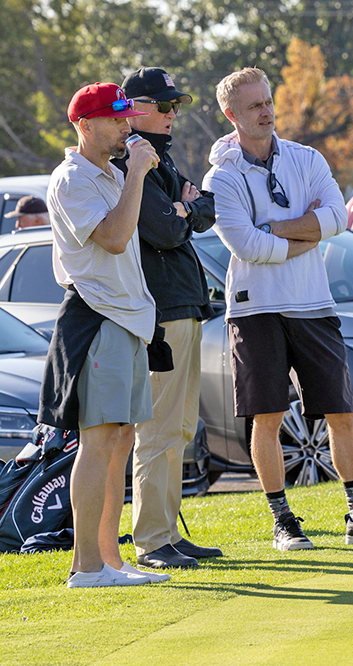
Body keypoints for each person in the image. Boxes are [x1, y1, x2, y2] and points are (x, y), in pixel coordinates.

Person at [202, 67, 353, 551]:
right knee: (267, 417)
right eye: (254, 106)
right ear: (231, 115)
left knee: (340, 412)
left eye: (269, 101)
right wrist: (301, 232)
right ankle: (283, 521)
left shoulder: (307, 158)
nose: (267, 111)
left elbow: (337, 219)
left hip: (314, 303)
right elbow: (247, 247)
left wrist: (274, 230)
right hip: (255, 312)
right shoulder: (221, 177)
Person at [40, 82, 168, 588]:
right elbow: (113, 240)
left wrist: (133, 175)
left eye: (125, 118)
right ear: (85, 126)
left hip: (127, 318)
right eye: (115, 120)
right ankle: (85, 566)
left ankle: (110, 562)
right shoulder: (72, 178)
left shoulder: (113, 173)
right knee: (97, 442)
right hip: (95, 318)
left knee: (120, 440)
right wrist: (136, 172)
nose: (124, 127)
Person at [110, 67, 223, 569]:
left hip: (183, 307)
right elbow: (165, 231)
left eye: (175, 105)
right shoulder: (129, 159)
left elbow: (208, 211)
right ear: (134, 108)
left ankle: (167, 534)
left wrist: (185, 209)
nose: (173, 113)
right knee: (158, 431)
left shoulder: (160, 160)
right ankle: (153, 541)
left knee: (178, 428)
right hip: (162, 312)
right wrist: (183, 209)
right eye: (164, 105)